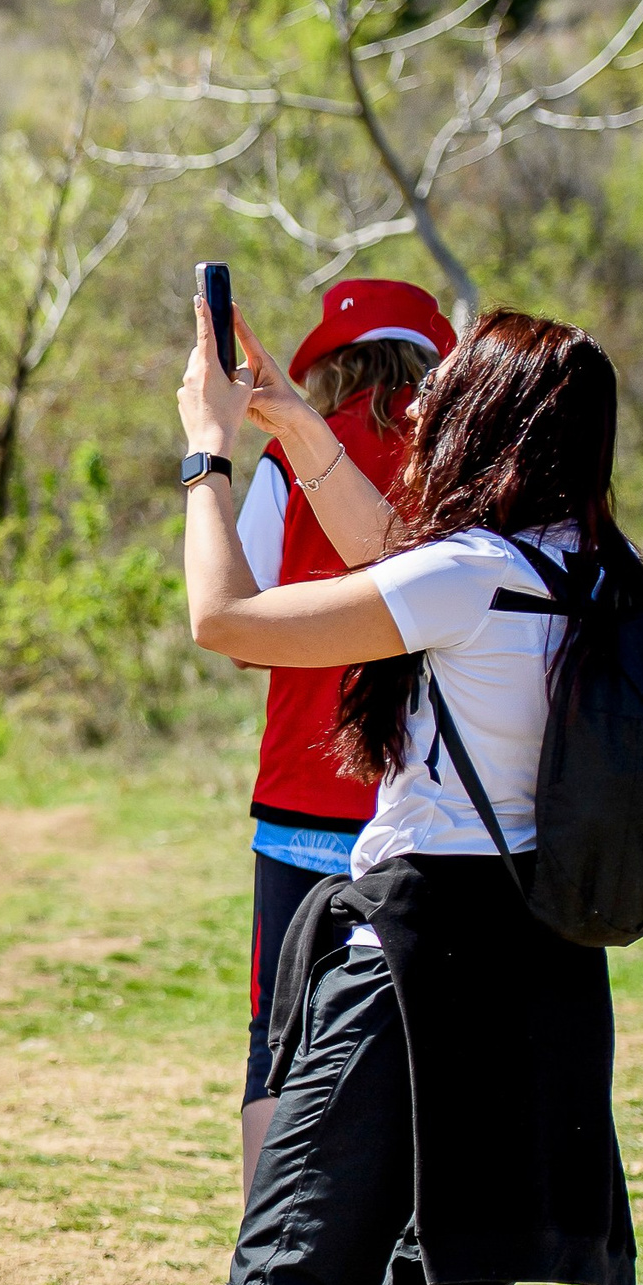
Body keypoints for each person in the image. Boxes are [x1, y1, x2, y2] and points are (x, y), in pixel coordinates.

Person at [119, 301, 636, 1285]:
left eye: (450, 393)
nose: (423, 410)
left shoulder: (466, 575)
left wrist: (208, 458)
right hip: (536, 957)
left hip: (411, 952)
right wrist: (293, 421)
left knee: (285, 1275)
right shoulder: (585, 573)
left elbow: (228, 622)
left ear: (489, 423)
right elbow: (392, 552)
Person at [229, 282, 455, 1196]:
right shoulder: (456, 465)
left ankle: (268, 1261)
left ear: (329, 366)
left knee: (278, 1037)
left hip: (299, 788)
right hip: (421, 804)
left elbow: (240, 627)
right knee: (412, 1041)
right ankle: (396, 1264)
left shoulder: (290, 459)